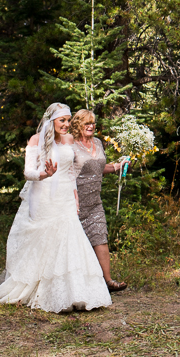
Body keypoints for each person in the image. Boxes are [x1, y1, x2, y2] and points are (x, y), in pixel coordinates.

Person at [0, 103, 112, 313]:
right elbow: (28, 173)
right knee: (48, 242)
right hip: (45, 196)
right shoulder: (36, 141)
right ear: (51, 121)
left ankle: (75, 293)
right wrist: (44, 174)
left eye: (68, 120)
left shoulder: (69, 140)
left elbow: (71, 172)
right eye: (61, 120)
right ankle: (46, 291)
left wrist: (75, 196)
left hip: (66, 197)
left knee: (70, 241)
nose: (66, 125)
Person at [70, 109, 127, 292]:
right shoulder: (71, 146)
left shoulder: (98, 143)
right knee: (75, 243)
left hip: (95, 201)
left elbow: (99, 167)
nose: (91, 126)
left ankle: (108, 281)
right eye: (86, 123)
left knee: (100, 237)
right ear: (78, 125)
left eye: (93, 123)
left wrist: (117, 166)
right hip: (75, 202)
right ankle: (77, 284)